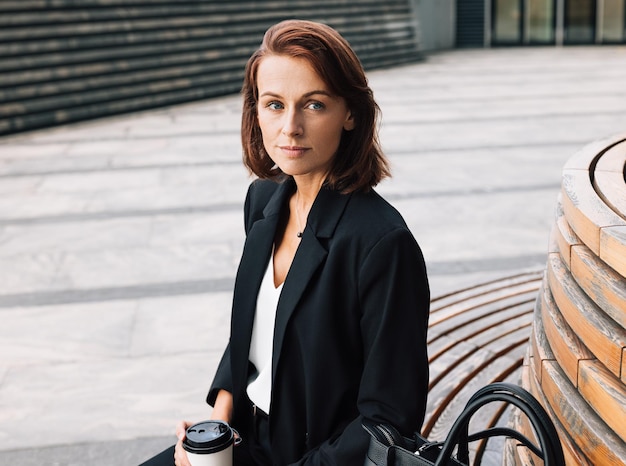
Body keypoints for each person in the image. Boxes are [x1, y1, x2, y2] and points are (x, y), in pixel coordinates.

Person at [141, 19, 429, 466]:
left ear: (350, 113)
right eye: (274, 104)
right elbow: (254, 331)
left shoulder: (382, 243)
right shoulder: (263, 202)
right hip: (240, 441)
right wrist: (213, 433)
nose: (289, 127)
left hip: (319, 456)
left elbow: (388, 418)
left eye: (313, 105)